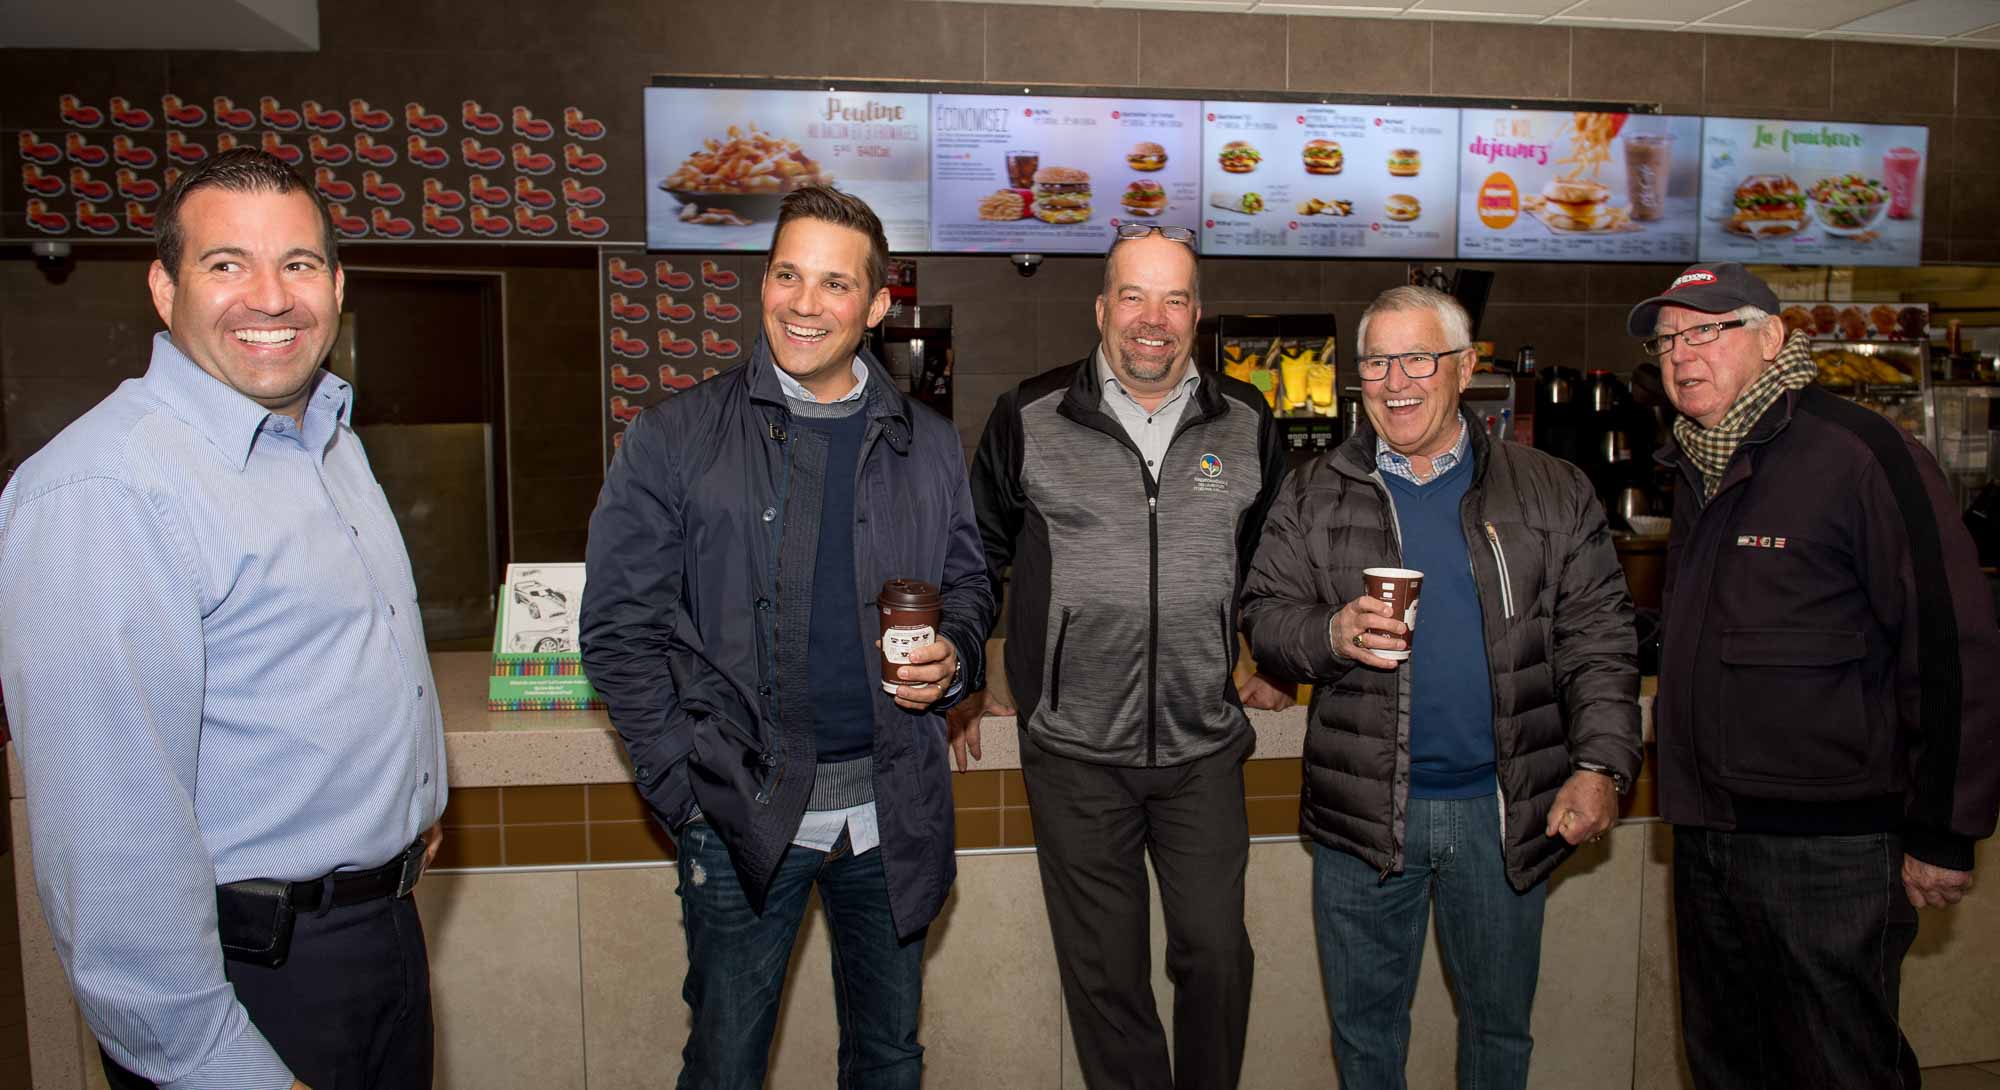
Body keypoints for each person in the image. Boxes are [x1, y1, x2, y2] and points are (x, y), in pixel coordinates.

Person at [0, 147, 446, 1090]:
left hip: (378, 940)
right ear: (164, 289)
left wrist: (405, 807)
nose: (270, 296)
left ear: (336, 282)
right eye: (226, 264)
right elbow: (109, 836)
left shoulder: (324, 437)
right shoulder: (104, 488)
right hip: (249, 986)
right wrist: (213, 1063)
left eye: (297, 263)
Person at [580, 185, 993, 1090]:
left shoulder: (924, 443)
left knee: (889, 1059)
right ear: (763, 282)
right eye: (787, 276)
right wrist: (680, 786)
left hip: (892, 816)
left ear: (879, 306)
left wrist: (956, 658)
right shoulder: (676, 437)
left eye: (835, 284)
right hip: (738, 816)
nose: (805, 304)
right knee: (725, 1064)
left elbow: (967, 584)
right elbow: (617, 629)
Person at [1240, 285, 1641, 1090]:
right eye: (1379, 361)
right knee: (1364, 1037)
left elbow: (1598, 640)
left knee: (1499, 1033)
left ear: (1464, 370)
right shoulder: (1312, 489)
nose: (1397, 381)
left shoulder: (1552, 490)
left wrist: (1600, 766)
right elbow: (1264, 615)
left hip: (1502, 814)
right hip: (1363, 819)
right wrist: (1330, 633)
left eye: (1418, 358)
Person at [1630, 262, 2000, 1088]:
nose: (1682, 356)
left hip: (1832, 847)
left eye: (1707, 331)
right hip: (1710, 832)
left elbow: (1950, 644)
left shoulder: (1862, 454)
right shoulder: (1699, 462)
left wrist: (1945, 827)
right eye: (1667, 341)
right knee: (1729, 1063)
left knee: (1839, 1066)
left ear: (1771, 339)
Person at [960, 223, 1287, 1090]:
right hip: (1074, 753)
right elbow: (973, 555)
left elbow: (1268, 564)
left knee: (1217, 958)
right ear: (1101, 308)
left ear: (1197, 316)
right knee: (1106, 979)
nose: (1154, 318)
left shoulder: (1249, 421)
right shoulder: (1029, 415)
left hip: (1201, 748)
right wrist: (968, 681)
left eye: (1174, 298)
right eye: (1134, 296)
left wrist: (1258, 657)